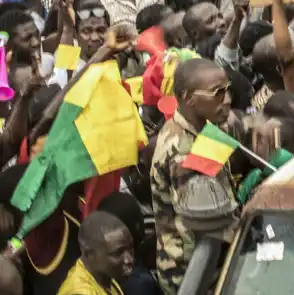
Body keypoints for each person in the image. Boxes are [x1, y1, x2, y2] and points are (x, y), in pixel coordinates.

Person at [150, 58, 238, 294]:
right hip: (191, 271)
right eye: (218, 94)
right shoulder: (182, 149)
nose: (227, 100)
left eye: (228, 91)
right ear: (188, 97)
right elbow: (204, 220)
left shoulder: (203, 127)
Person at [57, 211, 134, 295]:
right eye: (117, 253)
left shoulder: (103, 276)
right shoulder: (81, 292)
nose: (129, 259)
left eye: (130, 248)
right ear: (89, 254)